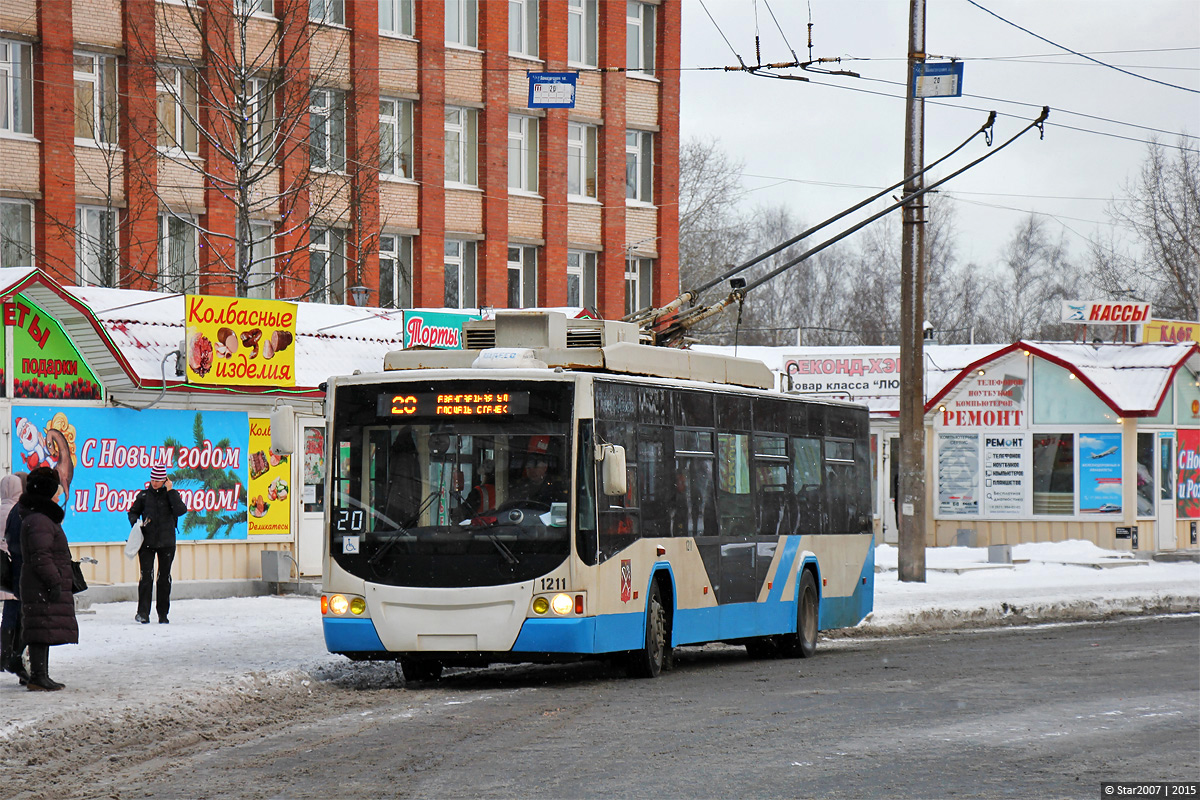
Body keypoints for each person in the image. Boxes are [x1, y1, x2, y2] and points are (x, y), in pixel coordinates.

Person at [18, 466, 77, 691]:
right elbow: (41, 555)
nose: (59, 494)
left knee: (44, 628)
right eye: (56, 491)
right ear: (47, 492)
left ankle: (42, 675)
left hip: (39, 582)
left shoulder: (40, 518)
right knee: (40, 629)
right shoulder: (40, 520)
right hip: (40, 583)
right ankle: (38, 677)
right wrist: (54, 581)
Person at [127, 465, 186, 624]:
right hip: (147, 542)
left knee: (164, 578)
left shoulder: (171, 495)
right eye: (152, 479)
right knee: (146, 577)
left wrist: (171, 491)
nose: (154, 483)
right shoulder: (144, 495)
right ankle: (143, 613)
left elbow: (181, 510)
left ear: (165, 480)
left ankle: (163, 614)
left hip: (167, 543)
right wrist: (136, 523)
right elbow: (132, 511)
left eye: (158, 480)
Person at [1, 472, 29, 684]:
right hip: (14, 570)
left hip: (1, 568)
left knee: (10, 615)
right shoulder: (18, 512)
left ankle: (6, 654)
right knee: (17, 613)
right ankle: (11, 655)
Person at [508, 436, 566, 507]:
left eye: (536, 467)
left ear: (545, 467)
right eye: (529, 467)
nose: (532, 471)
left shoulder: (556, 489)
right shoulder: (520, 488)